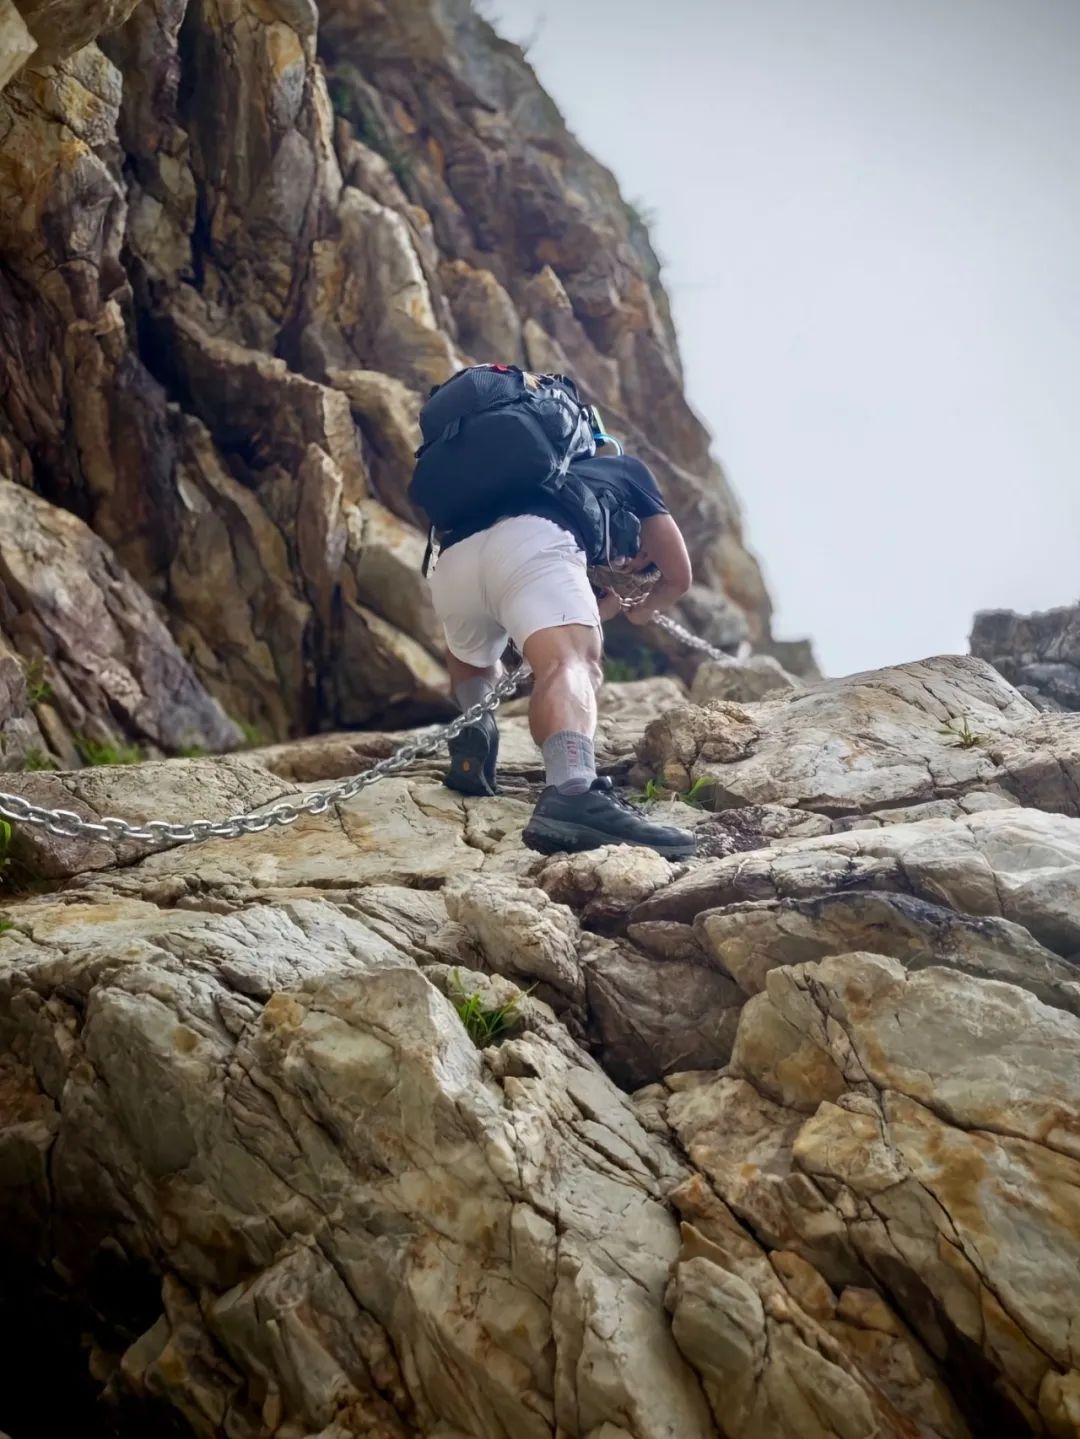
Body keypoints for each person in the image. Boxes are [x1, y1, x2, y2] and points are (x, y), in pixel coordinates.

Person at [425, 398, 697, 859]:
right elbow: (678, 577)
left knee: (473, 657)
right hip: (536, 541)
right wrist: (641, 610)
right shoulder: (626, 470)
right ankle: (573, 790)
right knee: (571, 661)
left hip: (452, 561)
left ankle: (476, 727)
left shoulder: (502, 480)